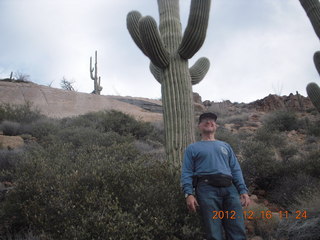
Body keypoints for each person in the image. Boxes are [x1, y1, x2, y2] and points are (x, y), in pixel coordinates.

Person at [181, 112, 250, 240]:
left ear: (216, 126)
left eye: (212, 120)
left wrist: (243, 190)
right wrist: (188, 194)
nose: (209, 122)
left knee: (237, 229)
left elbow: (235, 169)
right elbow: (187, 172)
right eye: (205, 120)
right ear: (199, 126)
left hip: (230, 189)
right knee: (213, 232)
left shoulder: (225, 146)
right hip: (207, 190)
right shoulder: (192, 148)